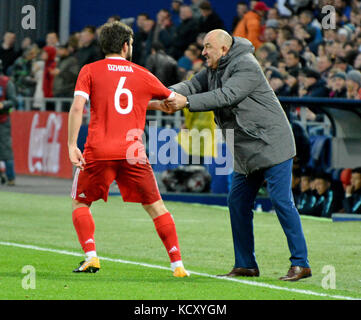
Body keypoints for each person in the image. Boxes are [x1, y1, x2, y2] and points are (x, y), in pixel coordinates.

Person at [165, 29, 311, 281]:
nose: (203, 52)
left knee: (281, 201)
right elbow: (190, 85)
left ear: (223, 49)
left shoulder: (246, 64)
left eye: (207, 46)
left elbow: (227, 95)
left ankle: (301, 264)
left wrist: (186, 103)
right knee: (237, 202)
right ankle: (246, 265)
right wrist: (166, 93)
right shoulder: (213, 68)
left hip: (272, 143)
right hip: (246, 149)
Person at [68, 21, 189, 277]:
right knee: (156, 206)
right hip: (133, 152)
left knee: (80, 203)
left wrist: (71, 144)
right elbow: (171, 101)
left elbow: (78, 107)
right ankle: (177, 265)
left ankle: (91, 257)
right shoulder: (142, 73)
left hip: (98, 150)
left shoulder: (90, 70)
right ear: (126, 46)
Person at [0, 59, 17, 186]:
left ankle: (11, 177)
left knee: (5, 148)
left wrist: (3, 104)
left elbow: (13, 100)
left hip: (3, 120)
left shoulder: (6, 82)